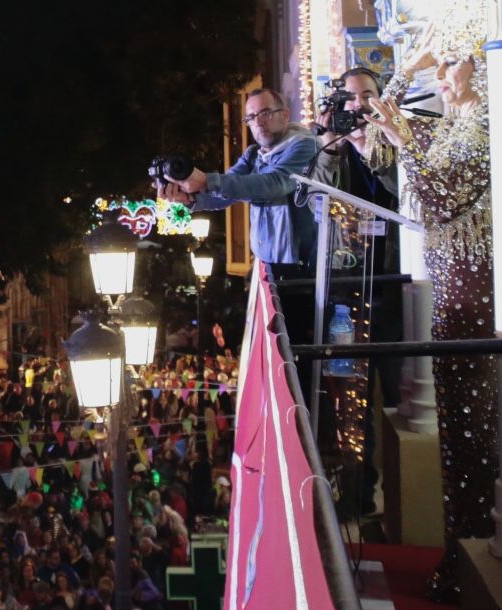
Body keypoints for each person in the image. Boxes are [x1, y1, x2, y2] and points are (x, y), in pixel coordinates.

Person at [364, 43, 496, 601]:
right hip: (452, 290)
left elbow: (441, 195)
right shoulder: (448, 126)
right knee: (457, 427)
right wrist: (403, 72)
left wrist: (405, 138)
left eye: (452, 61)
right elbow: (376, 139)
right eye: (437, 64)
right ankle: (458, 549)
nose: (442, 75)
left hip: (477, 291)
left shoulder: (483, 127)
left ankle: (477, 549)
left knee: (477, 427)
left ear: (481, 66)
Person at [308, 64, 407, 514]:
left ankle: (406, 491)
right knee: (351, 392)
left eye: (366, 94)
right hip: (346, 288)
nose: (358, 104)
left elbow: (400, 187)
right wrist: (333, 146)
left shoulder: (395, 139)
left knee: (399, 384)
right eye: (348, 97)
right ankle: (358, 491)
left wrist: (370, 146)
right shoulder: (330, 149)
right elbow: (315, 202)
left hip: (392, 285)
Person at [163, 88, 321, 346]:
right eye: (251, 117)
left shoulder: (305, 145)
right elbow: (226, 192)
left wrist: (207, 181)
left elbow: (274, 184)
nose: (258, 122)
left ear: (285, 114)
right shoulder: (254, 154)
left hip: (299, 270)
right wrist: (188, 196)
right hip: (267, 268)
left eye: (265, 113)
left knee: (295, 352)